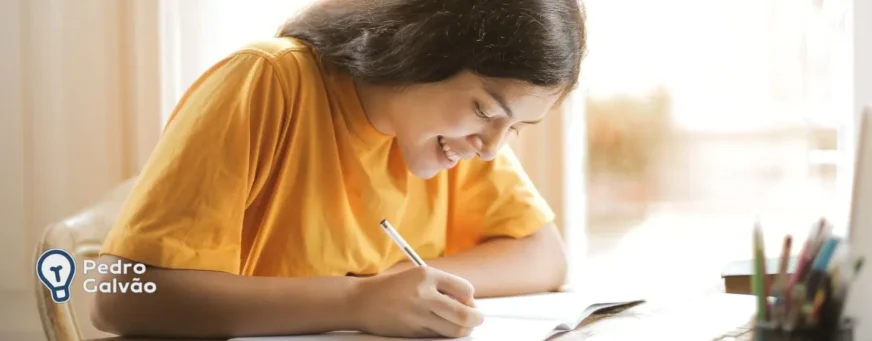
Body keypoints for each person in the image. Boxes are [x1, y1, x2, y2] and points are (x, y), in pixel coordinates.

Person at [90, 0, 586, 339]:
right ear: (421, 49)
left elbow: (544, 256)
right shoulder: (268, 81)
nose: (491, 149)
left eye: (516, 127)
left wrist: (399, 288)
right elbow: (120, 297)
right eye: (484, 110)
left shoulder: (448, 139)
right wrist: (356, 299)